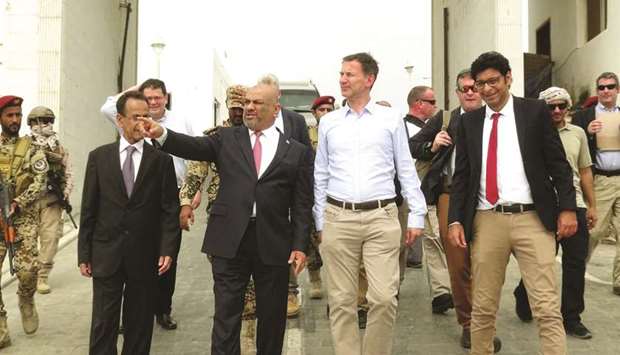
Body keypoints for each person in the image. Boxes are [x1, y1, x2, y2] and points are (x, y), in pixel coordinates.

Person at [142, 83, 313, 355]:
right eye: (247, 102)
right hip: (229, 242)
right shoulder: (226, 138)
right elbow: (193, 146)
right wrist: (162, 134)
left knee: (271, 318)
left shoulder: (296, 152)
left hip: (273, 242)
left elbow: (303, 204)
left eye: (257, 103)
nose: (249, 107)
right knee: (226, 316)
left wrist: (300, 244)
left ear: (275, 109)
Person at [447, 51, 577, 355]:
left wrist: (568, 209)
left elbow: (558, 165)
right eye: (480, 84)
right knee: (483, 306)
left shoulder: (534, 112)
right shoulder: (469, 122)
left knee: (545, 306)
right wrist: (455, 219)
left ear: (508, 78)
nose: (487, 89)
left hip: (533, 219)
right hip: (487, 219)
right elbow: (462, 176)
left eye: (493, 81)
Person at [314, 52, 426, 355]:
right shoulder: (330, 123)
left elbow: (405, 168)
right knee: (341, 300)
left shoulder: (390, 120)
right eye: (341, 74)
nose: (342, 79)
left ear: (369, 79)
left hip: (382, 217)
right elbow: (320, 174)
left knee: (384, 298)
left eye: (349, 74)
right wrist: (320, 221)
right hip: (338, 216)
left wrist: (417, 214)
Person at [78, 91, 179, 355]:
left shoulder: (161, 161)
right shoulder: (99, 158)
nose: (142, 122)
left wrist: (167, 249)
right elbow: (89, 209)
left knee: (139, 321)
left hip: (144, 255)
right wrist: (84, 254)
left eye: (146, 116)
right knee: (103, 322)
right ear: (120, 120)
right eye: (136, 117)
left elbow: (170, 210)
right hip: (105, 253)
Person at [411, 69, 501, 351]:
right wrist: (432, 144)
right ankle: (468, 324)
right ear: (458, 93)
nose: (471, 92)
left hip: (488, 199)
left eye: (475, 87)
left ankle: (484, 323)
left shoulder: (496, 119)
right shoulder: (446, 119)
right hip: (450, 196)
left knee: (485, 264)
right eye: (465, 89)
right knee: (459, 263)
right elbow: (413, 145)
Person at [101, 78, 194, 329]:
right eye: (148, 98)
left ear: (166, 98)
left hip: (172, 194)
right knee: (130, 256)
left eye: (157, 98)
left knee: (167, 253)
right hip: (138, 196)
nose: (153, 103)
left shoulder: (180, 121)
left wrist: (190, 195)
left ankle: (163, 309)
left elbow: (193, 155)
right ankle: (128, 313)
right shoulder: (131, 119)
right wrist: (135, 90)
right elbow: (107, 107)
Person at [511, 86, 596, 340]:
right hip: (543, 207)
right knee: (541, 261)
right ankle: (523, 294)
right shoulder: (529, 133)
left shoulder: (578, 133)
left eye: (562, 106)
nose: (557, 111)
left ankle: (571, 317)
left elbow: (585, 172)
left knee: (575, 263)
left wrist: (592, 205)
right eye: (551, 106)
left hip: (575, 206)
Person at [257, 74, 312, 318]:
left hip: (292, 187)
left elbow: (306, 154)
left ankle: (291, 289)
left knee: (292, 237)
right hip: (269, 193)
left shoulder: (296, 120)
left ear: (278, 97)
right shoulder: (253, 120)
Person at [0, 95, 49, 348]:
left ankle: (26, 298)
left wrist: (18, 202)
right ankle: (1, 328)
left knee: (28, 270)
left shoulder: (32, 148)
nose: (15, 120)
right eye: (10, 115)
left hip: (23, 218)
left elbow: (41, 183)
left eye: (18, 115)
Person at [405, 85, 454, 314]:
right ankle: (441, 291)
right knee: (430, 240)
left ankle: (447, 290)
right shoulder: (441, 120)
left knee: (438, 240)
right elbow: (411, 148)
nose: (436, 107)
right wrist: (431, 146)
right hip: (416, 192)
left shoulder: (440, 124)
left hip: (447, 193)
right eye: (432, 102)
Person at [572, 72, 620, 296]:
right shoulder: (584, 117)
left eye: (610, 87)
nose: (606, 91)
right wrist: (588, 133)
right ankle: (576, 270)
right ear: (597, 91)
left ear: (617, 90)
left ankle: (619, 281)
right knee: (594, 231)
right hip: (599, 179)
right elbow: (575, 143)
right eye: (601, 87)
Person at [27, 106, 74, 294]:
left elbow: (68, 172)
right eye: (39, 121)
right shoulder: (24, 145)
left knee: (51, 238)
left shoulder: (59, 147)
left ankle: (42, 275)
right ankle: (28, 273)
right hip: (27, 202)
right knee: (27, 241)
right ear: (32, 124)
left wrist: (65, 193)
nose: (44, 125)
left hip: (51, 201)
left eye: (47, 121)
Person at [306, 95, 335, 298]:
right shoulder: (306, 134)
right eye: (321, 110)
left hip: (335, 193)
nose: (325, 113)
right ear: (314, 113)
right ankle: (315, 279)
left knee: (334, 242)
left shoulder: (340, 132)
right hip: (310, 192)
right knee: (311, 239)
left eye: (329, 110)